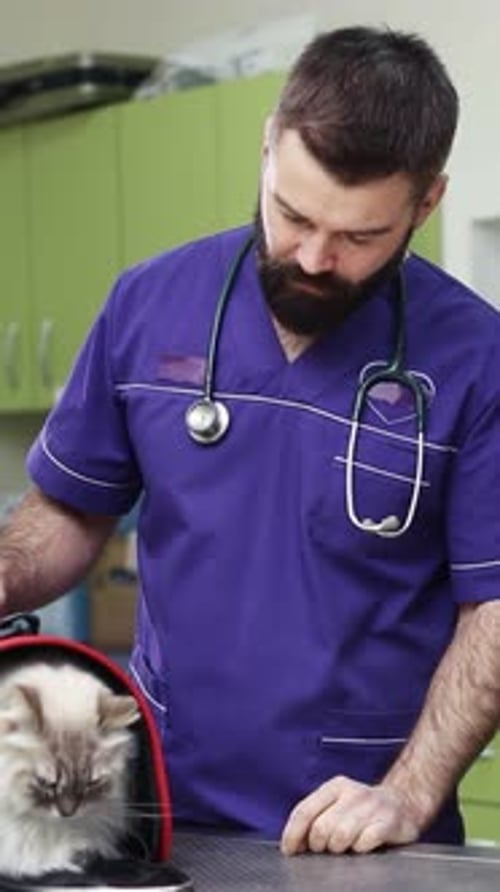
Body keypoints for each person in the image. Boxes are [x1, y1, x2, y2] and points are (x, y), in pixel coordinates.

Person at [1, 25, 500, 856]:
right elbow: (71, 511)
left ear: (426, 202)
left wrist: (407, 795)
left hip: (360, 831)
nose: (312, 254)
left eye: (358, 237)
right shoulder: (147, 304)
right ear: (268, 147)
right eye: (292, 214)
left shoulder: (478, 360)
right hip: (155, 801)